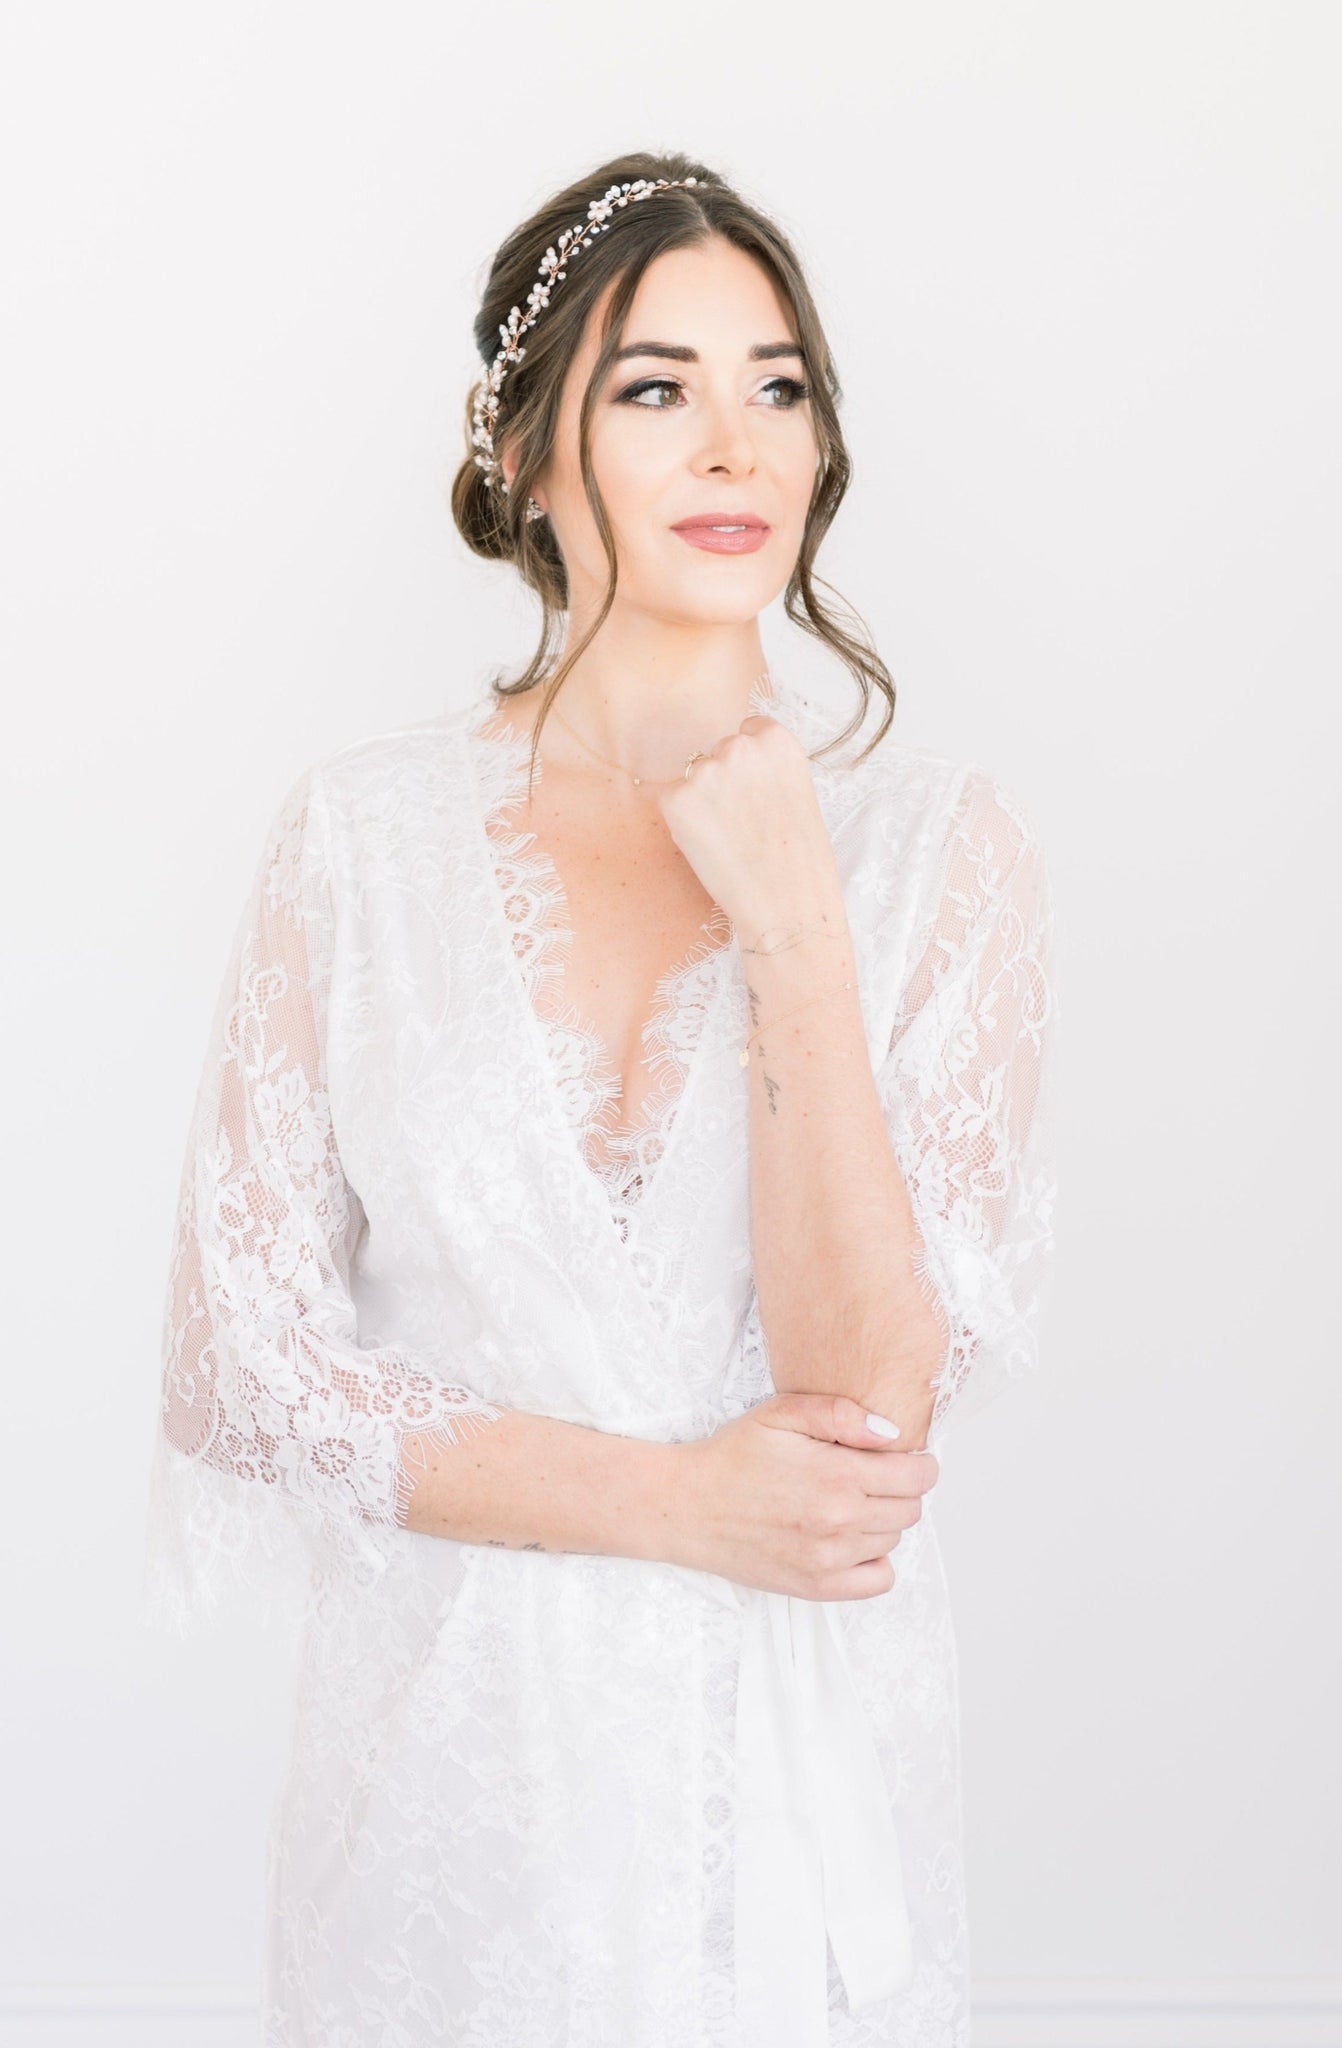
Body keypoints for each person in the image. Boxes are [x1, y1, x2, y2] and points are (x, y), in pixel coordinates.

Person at [141, 149, 1058, 2048]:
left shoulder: (928, 855)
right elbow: (241, 1367)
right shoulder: (361, 844)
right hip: (453, 1799)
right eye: (655, 388)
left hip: (793, 1821)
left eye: (777, 385)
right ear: (526, 458)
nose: (734, 444)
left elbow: (869, 1404)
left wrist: (795, 933)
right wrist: (676, 1502)